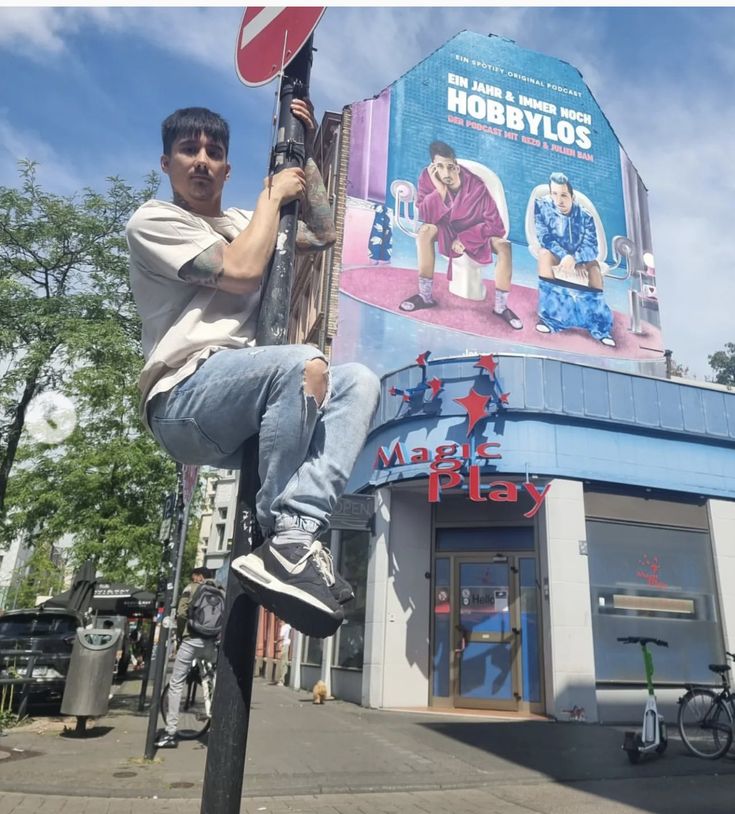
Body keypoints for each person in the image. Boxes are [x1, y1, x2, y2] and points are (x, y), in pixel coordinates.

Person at [127, 103, 380, 645]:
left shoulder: (248, 223)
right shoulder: (155, 220)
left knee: (359, 380)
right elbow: (240, 273)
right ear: (166, 162)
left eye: (214, 153)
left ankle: (294, 532)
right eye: (188, 151)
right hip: (181, 398)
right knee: (303, 360)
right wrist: (269, 199)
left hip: (247, 399)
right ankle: (282, 533)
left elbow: (325, 231)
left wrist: (306, 150)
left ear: (226, 168)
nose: (201, 161)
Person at [399, 140, 522, 330]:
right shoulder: (427, 178)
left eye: (450, 167)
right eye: (440, 167)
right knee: (425, 231)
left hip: (476, 235)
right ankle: (425, 296)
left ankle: (501, 306)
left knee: (504, 246)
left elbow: (496, 226)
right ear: (433, 167)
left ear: (456, 166)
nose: (446, 173)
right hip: (446, 231)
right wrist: (439, 191)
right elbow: (427, 216)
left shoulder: (477, 186)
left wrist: (466, 238)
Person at [534, 172, 615, 346]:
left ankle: (600, 329)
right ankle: (550, 320)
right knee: (544, 256)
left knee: (594, 268)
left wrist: (575, 259)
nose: (559, 200)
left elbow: (592, 247)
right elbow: (545, 238)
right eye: (554, 194)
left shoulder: (585, 216)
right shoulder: (542, 207)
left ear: (572, 196)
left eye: (563, 195)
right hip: (557, 255)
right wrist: (564, 257)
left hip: (580, 259)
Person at [155, 567, 213, 749]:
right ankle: (214, 712)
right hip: (211, 643)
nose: (193, 578)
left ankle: (171, 732)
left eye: (193, 576)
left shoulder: (191, 588)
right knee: (212, 678)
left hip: (191, 640)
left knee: (176, 683)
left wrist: (181, 635)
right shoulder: (220, 590)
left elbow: (181, 613)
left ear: (199, 576)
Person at [274, 620, 292, 687]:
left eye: (280, 622)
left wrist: (276, 641)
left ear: (283, 621)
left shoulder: (283, 627)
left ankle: (281, 680)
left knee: (282, 663)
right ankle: (283, 679)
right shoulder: (289, 626)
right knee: (285, 662)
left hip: (284, 645)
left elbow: (281, 637)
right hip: (288, 645)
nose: (279, 623)